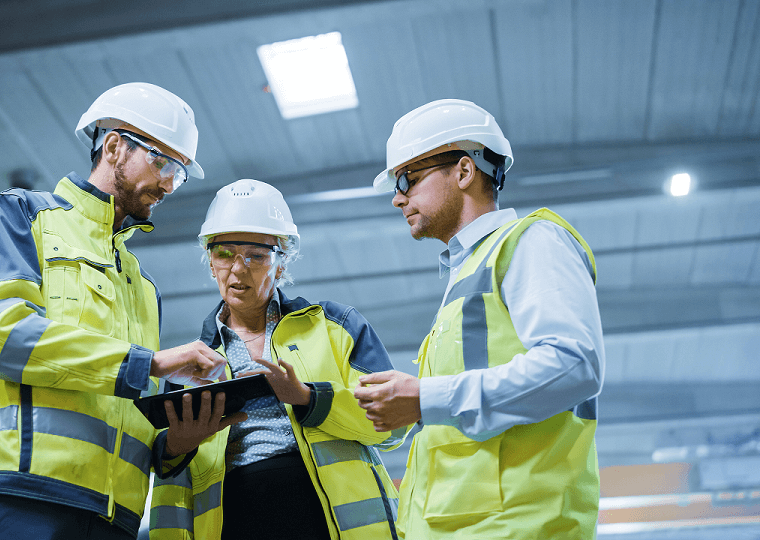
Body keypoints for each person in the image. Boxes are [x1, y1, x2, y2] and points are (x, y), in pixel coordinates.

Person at [0, 82, 239, 539]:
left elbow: (129, 411)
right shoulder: (24, 217)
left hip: (111, 519)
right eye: (161, 163)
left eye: (177, 174)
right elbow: (0, 335)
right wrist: (150, 362)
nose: (167, 184)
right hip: (16, 499)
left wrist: (174, 444)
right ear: (115, 147)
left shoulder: (141, 284)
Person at [353, 99, 605, 539]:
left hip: (518, 528)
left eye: (407, 178)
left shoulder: (531, 242)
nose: (397, 198)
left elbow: (575, 364)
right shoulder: (467, 273)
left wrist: (427, 398)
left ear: (465, 172)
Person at [149, 179, 408, 540]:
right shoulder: (185, 366)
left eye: (256, 255)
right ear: (210, 262)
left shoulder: (336, 326)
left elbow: (395, 424)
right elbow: (168, 487)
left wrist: (308, 398)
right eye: (224, 253)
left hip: (329, 524)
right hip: (236, 524)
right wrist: (177, 446)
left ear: (282, 263)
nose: (238, 269)